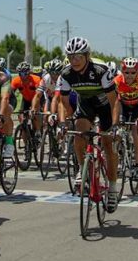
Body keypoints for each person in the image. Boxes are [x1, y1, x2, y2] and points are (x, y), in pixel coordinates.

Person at [57, 37, 120, 211]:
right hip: (86, 105)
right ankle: (81, 169)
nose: (74, 61)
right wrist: (62, 123)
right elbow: (63, 102)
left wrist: (114, 126)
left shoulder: (101, 71)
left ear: (87, 56)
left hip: (106, 106)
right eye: (70, 57)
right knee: (79, 132)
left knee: (108, 145)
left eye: (78, 56)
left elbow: (115, 102)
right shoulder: (67, 73)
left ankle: (113, 190)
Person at [112, 57, 138, 181]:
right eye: (126, 72)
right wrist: (115, 122)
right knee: (116, 133)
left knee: (136, 130)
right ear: (122, 71)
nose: (129, 75)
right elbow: (115, 103)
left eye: (133, 72)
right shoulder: (116, 81)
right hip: (123, 106)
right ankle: (116, 161)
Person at [11, 61, 42, 135]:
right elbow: (10, 93)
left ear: (29, 73)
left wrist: (33, 108)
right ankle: (24, 130)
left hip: (37, 98)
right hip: (26, 100)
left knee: (35, 112)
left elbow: (38, 95)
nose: (23, 76)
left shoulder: (36, 79)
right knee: (21, 115)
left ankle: (38, 131)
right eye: (20, 73)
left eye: (25, 73)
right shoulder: (16, 80)